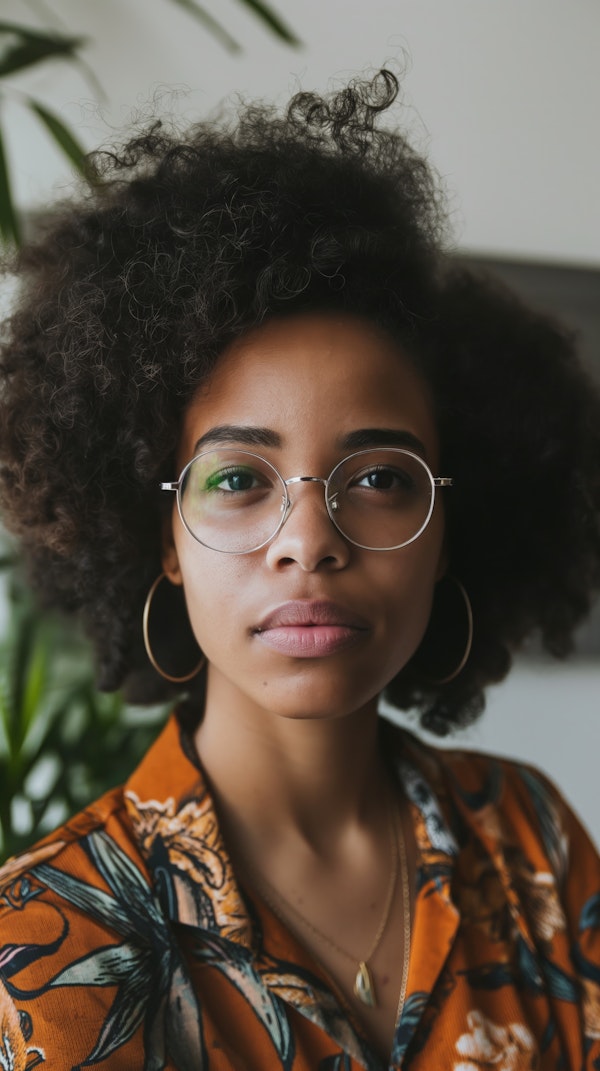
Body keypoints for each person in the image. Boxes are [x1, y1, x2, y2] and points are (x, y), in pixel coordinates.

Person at [0, 69, 599, 1071]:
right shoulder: (45, 945)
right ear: (162, 538)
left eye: (378, 478)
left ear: (450, 523)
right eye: (239, 477)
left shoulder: (529, 842)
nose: (308, 538)